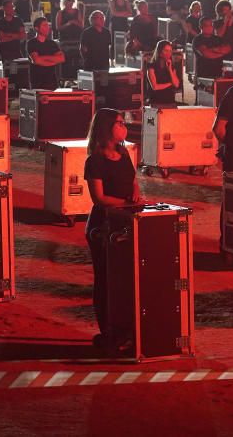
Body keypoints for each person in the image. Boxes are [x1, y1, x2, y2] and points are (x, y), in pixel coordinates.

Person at [84, 107, 142, 352]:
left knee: (125, 279)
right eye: (119, 123)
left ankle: (126, 329)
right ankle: (108, 332)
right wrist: (127, 204)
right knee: (106, 279)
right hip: (103, 226)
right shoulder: (94, 161)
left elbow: (133, 180)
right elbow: (99, 198)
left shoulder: (124, 153)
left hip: (126, 222)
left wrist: (136, 196)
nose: (123, 126)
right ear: (107, 128)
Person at [26, 17, 64, 90]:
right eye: (44, 25)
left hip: (52, 81)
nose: (47, 28)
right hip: (37, 82)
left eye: (47, 25)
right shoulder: (31, 43)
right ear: (36, 28)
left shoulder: (52, 43)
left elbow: (61, 58)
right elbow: (36, 60)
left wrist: (43, 58)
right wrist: (53, 61)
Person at [147, 40, 180, 107]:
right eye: (166, 50)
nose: (168, 53)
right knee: (152, 117)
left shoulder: (172, 67)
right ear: (160, 52)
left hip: (170, 102)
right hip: (156, 103)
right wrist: (170, 83)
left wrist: (170, 70)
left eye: (170, 51)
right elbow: (155, 87)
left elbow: (176, 84)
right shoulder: (151, 67)